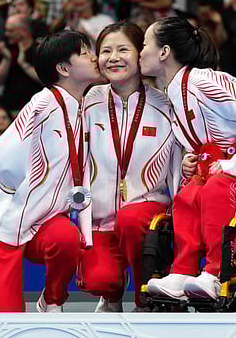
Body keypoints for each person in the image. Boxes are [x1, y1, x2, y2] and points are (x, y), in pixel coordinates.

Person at [139, 16, 236, 300]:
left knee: (214, 190)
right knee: (187, 195)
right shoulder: (172, 93)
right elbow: (202, 144)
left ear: (164, 52)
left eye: (145, 43)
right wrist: (190, 161)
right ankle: (182, 272)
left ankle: (215, 273)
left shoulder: (207, 80)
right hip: (216, 173)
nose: (140, 50)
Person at [0, 30, 102, 313]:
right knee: (5, 321)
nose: (94, 57)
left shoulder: (83, 105)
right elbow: (1, 152)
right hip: (8, 227)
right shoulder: (43, 103)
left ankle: (52, 299)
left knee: (68, 239)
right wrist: (19, 192)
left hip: (47, 223)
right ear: (63, 68)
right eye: (85, 53)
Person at [76, 21, 182, 312]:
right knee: (99, 279)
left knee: (132, 219)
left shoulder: (165, 106)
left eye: (123, 49)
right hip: (101, 220)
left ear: (140, 54)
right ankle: (110, 294)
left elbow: (175, 166)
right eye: (106, 51)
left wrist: (179, 213)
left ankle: (144, 299)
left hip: (146, 214)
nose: (114, 57)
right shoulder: (88, 102)